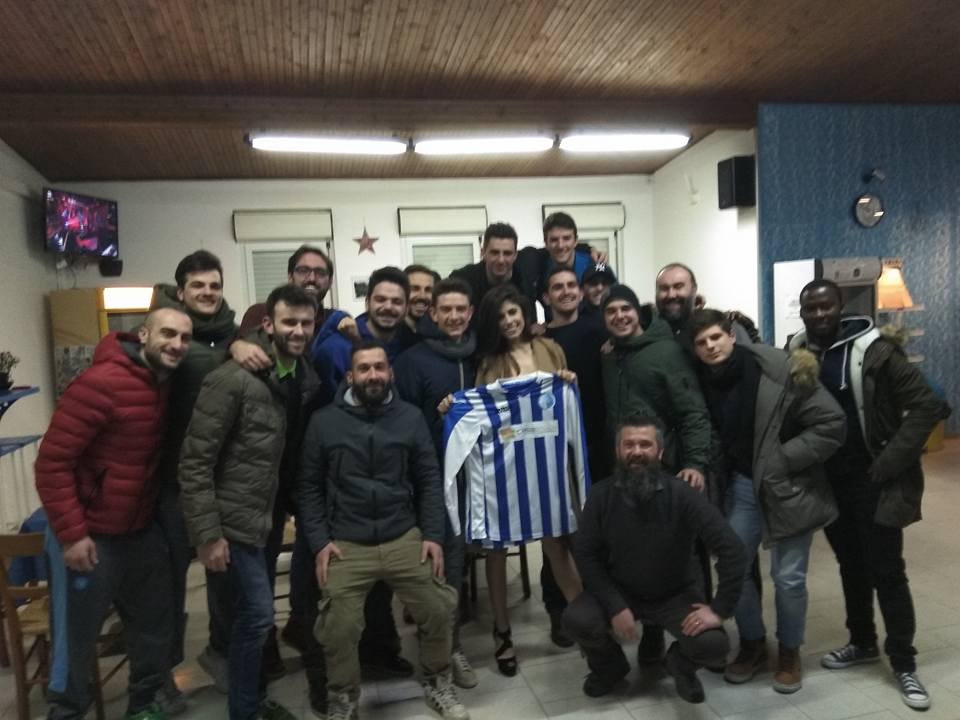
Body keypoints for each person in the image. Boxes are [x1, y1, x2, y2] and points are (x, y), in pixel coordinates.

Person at [790, 279, 951, 711]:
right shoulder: (798, 352)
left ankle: (904, 662)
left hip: (875, 479)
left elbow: (928, 405)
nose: (819, 315)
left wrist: (890, 461)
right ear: (801, 312)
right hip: (830, 482)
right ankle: (862, 641)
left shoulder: (876, 350)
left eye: (826, 306)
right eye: (810, 308)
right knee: (850, 565)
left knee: (887, 570)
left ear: (840, 306)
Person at [298, 340, 469, 720]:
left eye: (379, 367)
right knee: (338, 625)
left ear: (390, 373)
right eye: (364, 368)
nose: (372, 375)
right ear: (350, 376)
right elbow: (308, 487)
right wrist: (320, 542)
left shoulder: (410, 418)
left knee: (438, 606)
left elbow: (428, 479)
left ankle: (438, 681)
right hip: (346, 542)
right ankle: (343, 699)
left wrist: (432, 535)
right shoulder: (324, 422)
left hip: (402, 535)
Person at [36, 308, 193, 720]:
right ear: (142, 335)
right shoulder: (99, 384)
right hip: (89, 534)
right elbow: (52, 462)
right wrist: (72, 534)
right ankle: (66, 711)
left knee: (154, 624)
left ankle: (143, 706)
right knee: (75, 636)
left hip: (139, 530)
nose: (177, 344)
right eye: (168, 334)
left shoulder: (165, 383)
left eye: (184, 338)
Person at [178, 285, 319, 720]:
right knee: (258, 615)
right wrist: (207, 534)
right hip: (233, 519)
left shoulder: (304, 377)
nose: (298, 331)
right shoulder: (232, 378)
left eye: (306, 323)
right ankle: (245, 709)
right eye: (289, 322)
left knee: (250, 618)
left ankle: (252, 700)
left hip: (270, 515)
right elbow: (195, 460)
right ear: (269, 324)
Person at [689, 308, 846, 693]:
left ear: (731, 335)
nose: (711, 346)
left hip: (788, 486)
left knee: (788, 578)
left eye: (716, 337)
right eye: (702, 342)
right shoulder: (702, 380)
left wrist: (782, 459)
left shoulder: (777, 368)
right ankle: (753, 643)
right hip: (743, 486)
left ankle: (789, 651)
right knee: (734, 567)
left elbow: (831, 423)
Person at [563, 416, 746, 704]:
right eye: (629, 444)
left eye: (645, 444)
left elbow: (733, 549)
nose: (636, 451)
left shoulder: (683, 494)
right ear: (618, 451)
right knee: (576, 620)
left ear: (660, 452)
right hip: (621, 589)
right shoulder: (600, 495)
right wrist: (615, 605)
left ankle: (679, 665)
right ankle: (610, 667)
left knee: (713, 645)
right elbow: (586, 555)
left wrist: (720, 609)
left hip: (675, 594)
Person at [472, 284, 583, 675]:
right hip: (505, 466)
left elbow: (565, 400)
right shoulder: (489, 362)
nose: (509, 321)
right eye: (501, 316)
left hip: (547, 463)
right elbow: (483, 413)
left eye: (513, 313)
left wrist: (567, 381)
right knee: (497, 549)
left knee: (557, 544)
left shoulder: (550, 350)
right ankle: (502, 631)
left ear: (524, 312)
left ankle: (585, 623)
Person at [601, 283, 713, 663]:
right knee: (640, 554)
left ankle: (697, 639)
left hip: (669, 471)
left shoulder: (666, 351)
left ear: (639, 312)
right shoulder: (610, 355)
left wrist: (694, 463)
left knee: (684, 555)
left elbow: (693, 411)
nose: (619, 316)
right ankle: (652, 634)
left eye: (626, 309)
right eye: (611, 311)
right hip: (628, 474)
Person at [393, 278, 478, 688]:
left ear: (471, 313)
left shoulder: (480, 355)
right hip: (433, 481)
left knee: (458, 567)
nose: (454, 316)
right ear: (433, 313)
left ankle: (451, 644)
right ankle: (443, 651)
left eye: (461, 309)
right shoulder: (413, 361)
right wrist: (437, 419)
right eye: (447, 309)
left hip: (475, 479)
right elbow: (403, 424)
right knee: (439, 570)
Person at [538, 266, 610, 646]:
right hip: (554, 450)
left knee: (595, 534)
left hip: (597, 443)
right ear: (545, 297)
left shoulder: (601, 331)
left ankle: (601, 606)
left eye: (571, 286)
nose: (565, 292)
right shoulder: (538, 340)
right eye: (557, 287)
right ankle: (560, 611)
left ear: (580, 293)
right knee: (556, 535)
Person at [404, 263, 442, 333]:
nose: (422, 296)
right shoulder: (388, 331)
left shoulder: (439, 330)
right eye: (415, 289)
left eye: (428, 290)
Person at [580, 262, 617, 328]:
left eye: (605, 283)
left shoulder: (622, 315)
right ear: (582, 289)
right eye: (593, 283)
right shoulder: (574, 317)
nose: (600, 288)